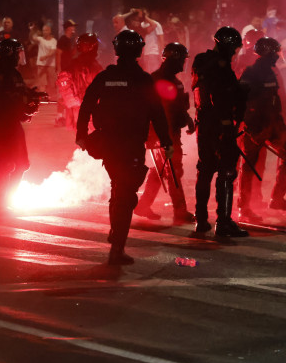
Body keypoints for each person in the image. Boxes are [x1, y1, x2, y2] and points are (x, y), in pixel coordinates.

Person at [76, 30, 172, 265]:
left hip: (109, 143)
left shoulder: (107, 76)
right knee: (126, 193)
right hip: (130, 145)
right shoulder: (143, 80)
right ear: (139, 51)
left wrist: (81, 134)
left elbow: (87, 103)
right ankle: (117, 247)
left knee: (118, 188)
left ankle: (115, 232)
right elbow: (157, 113)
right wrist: (166, 141)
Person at [191, 26, 249, 238]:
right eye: (233, 48)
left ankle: (201, 220)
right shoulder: (220, 67)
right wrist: (228, 123)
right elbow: (221, 96)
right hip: (220, 124)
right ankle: (223, 222)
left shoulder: (200, 61)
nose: (234, 53)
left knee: (205, 170)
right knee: (226, 171)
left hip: (203, 123)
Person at [237, 36, 286, 222]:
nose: (277, 56)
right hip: (255, 127)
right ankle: (244, 208)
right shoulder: (250, 73)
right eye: (275, 52)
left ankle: (277, 199)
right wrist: (249, 127)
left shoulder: (272, 73)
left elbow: (276, 100)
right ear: (267, 54)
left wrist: (281, 122)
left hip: (274, 125)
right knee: (249, 166)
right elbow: (241, 102)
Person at [133, 42, 196, 225]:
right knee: (174, 170)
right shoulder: (157, 80)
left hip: (171, 132)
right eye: (182, 59)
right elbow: (152, 110)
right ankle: (180, 211)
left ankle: (143, 205)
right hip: (162, 134)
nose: (184, 63)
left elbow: (178, 107)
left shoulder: (174, 81)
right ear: (174, 60)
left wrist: (188, 119)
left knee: (163, 170)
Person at [0, 39, 39, 217]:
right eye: (17, 53)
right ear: (10, 54)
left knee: (22, 164)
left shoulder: (14, 74)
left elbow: (20, 95)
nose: (19, 57)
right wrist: (26, 104)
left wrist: (32, 99)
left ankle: (7, 199)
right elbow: (6, 99)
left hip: (13, 122)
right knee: (6, 162)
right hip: (3, 122)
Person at [57, 33, 103, 130]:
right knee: (89, 137)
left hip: (83, 108)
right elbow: (63, 80)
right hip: (86, 109)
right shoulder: (91, 66)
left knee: (83, 137)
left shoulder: (76, 64)